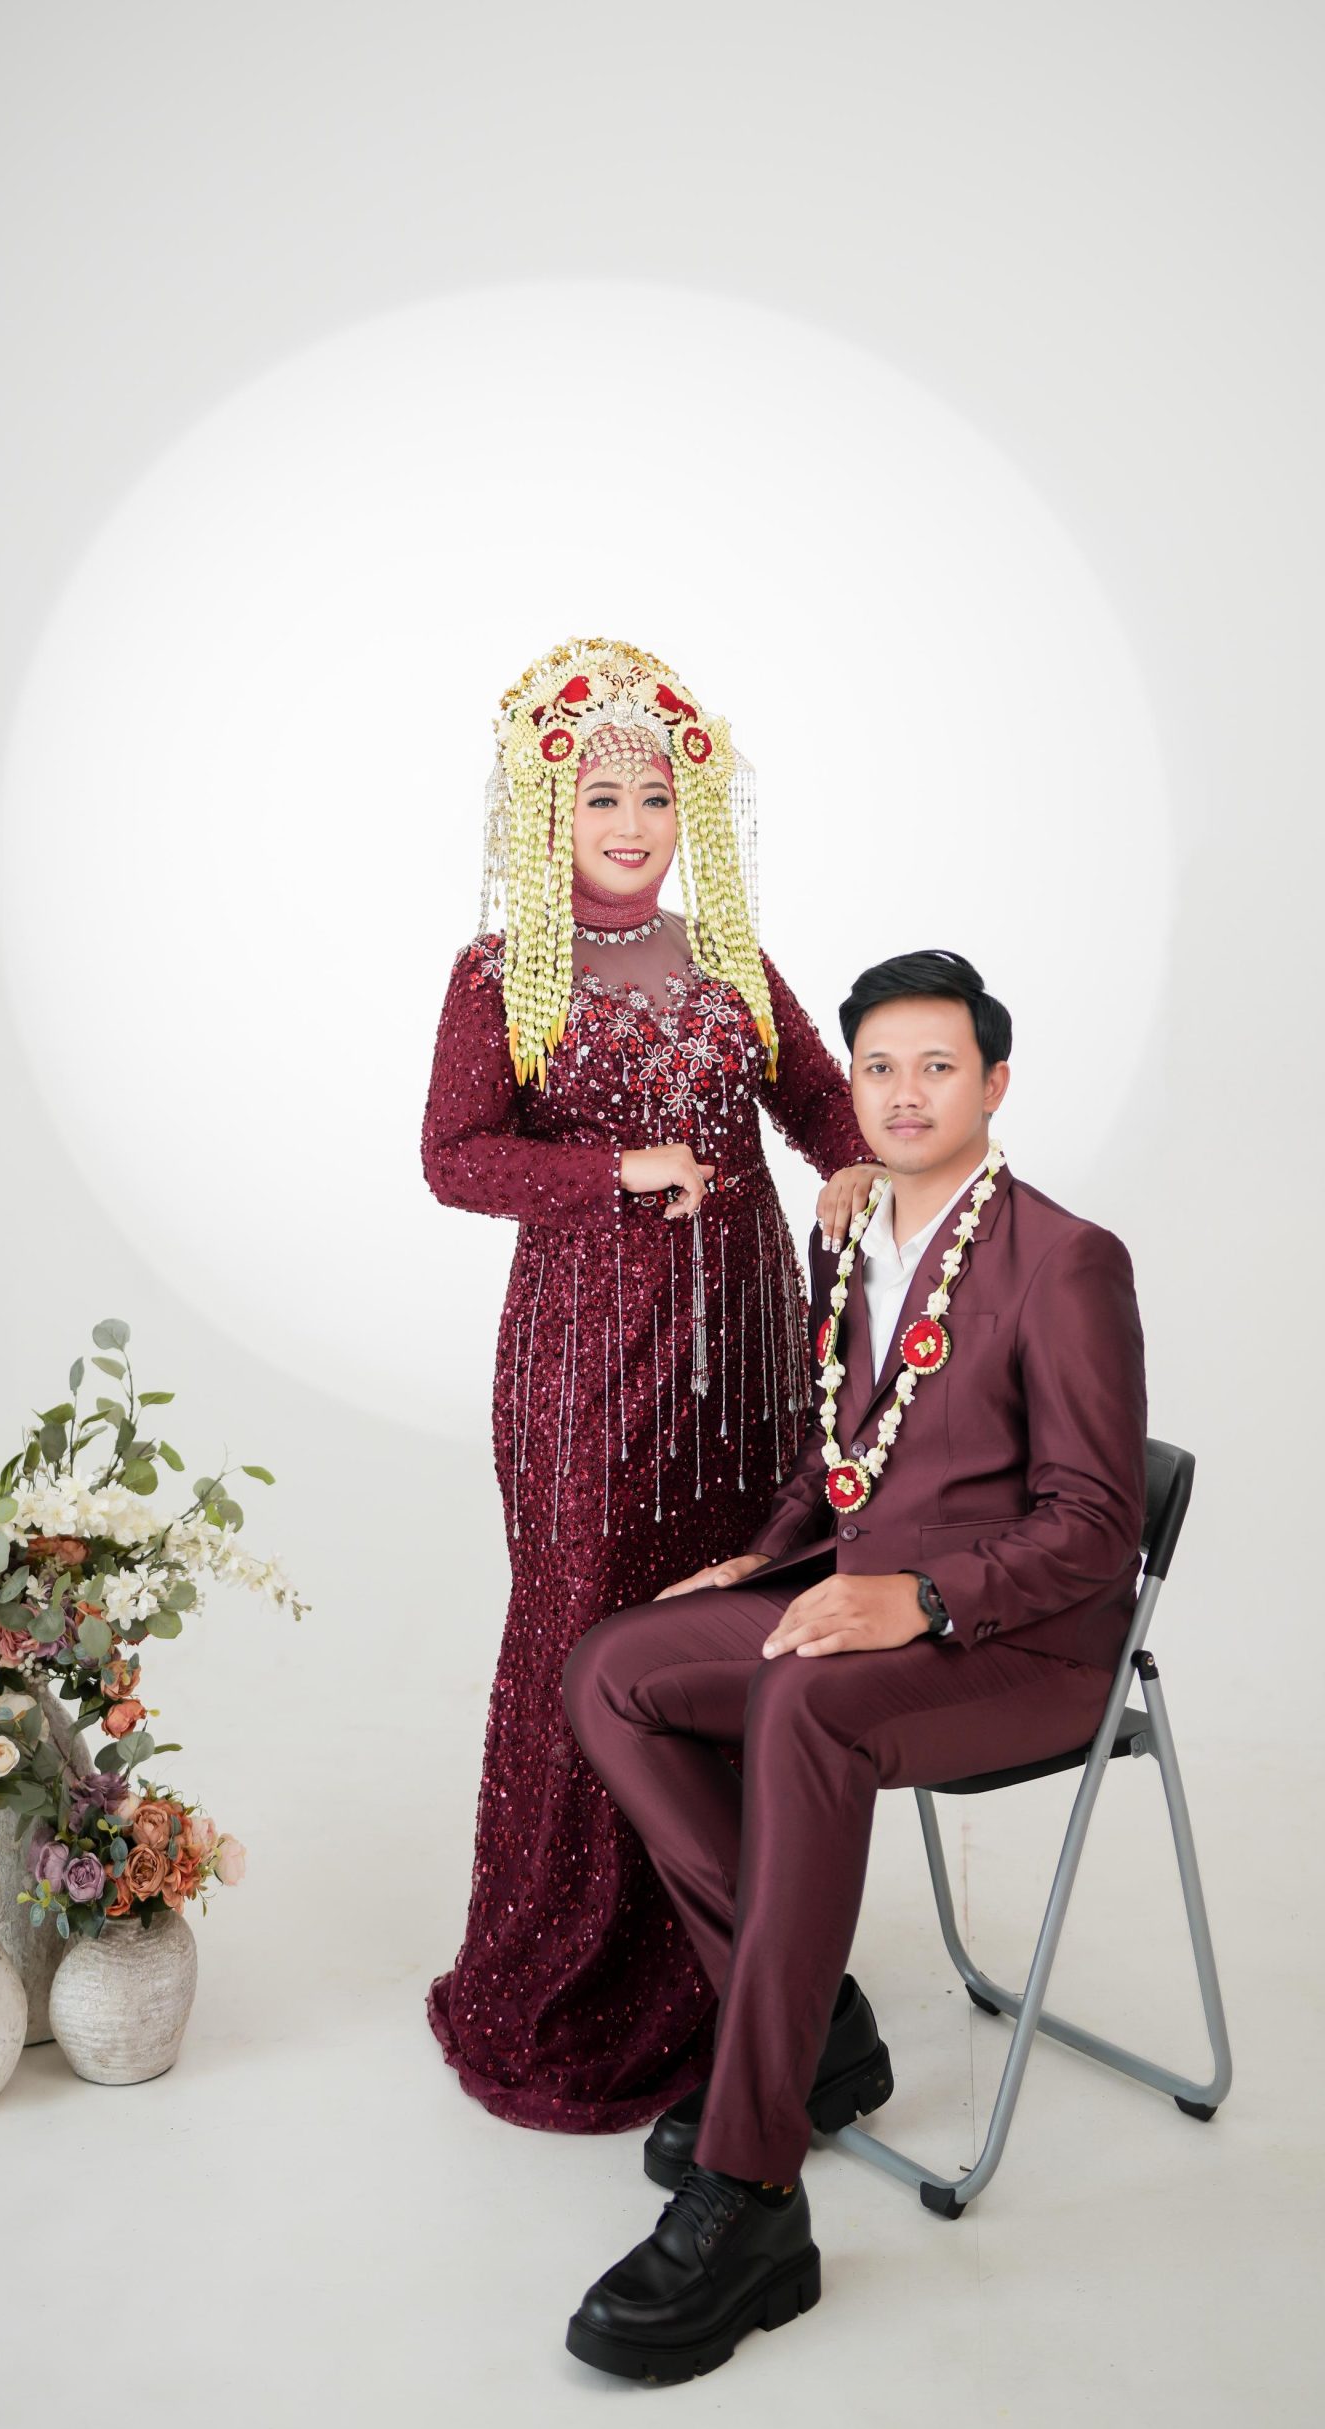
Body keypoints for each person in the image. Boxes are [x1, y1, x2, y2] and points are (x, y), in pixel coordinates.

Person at [561, 948, 1147, 2379]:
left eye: (937, 1066)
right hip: (857, 1599)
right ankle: (813, 2029)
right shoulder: (852, 1233)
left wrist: (923, 1601)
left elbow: (1097, 1527)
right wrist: (764, 1560)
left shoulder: (1068, 1259)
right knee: (614, 1671)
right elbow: (842, 1458)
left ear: (994, 1085)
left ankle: (753, 2191)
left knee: (804, 1704)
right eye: (878, 1067)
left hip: (1024, 1647)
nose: (903, 1093)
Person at [421, 639, 880, 2132]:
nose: (632, 824)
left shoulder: (727, 955)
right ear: (550, 813)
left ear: (692, 812)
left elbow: (819, 1099)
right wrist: (613, 1172)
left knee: (727, 1639)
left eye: (657, 796)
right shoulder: (502, 972)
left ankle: (732, 1976)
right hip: (587, 1367)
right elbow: (454, 1158)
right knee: (587, 1637)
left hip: (743, 1370)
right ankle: (562, 1993)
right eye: (601, 797)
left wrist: (851, 1169)